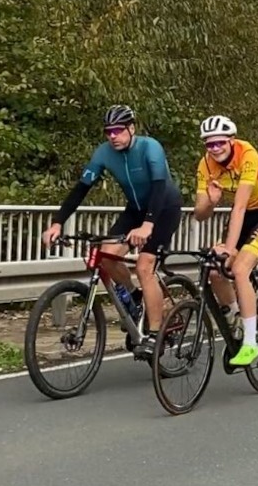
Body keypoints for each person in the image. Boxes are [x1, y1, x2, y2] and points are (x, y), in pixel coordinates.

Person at [42, 105, 182, 358]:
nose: (112, 136)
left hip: (163, 208)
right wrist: (57, 222)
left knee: (144, 266)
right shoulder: (104, 153)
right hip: (134, 211)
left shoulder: (150, 147)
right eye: (108, 132)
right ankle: (136, 297)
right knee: (105, 257)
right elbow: (81, 189)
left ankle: (153, 333)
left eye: (118, 130)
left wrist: (148, 225)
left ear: (131, 128)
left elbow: (160, 187)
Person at [194, 115, 258, 366]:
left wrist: (230, 248)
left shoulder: (248, 155)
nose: (215, 149)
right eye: (209, 145)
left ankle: (250, 343)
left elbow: (240, 207)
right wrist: (210, 201)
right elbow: (200, 214)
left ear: (231, 140)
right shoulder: (206, 165)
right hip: (242, 217)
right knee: (214, 271)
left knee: (240, 268)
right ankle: (236, 314)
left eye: (220, 143)